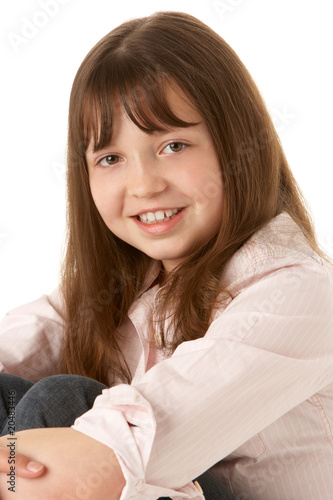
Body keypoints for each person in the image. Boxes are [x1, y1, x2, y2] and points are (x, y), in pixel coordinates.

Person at [0, 10, 332, 500]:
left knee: (57, 404)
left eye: (173, 145)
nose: (144, 184)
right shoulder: (123, 286)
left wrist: (8, 465)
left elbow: (112, 458)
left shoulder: (302, 295)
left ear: (237, 146)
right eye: (110, 158)